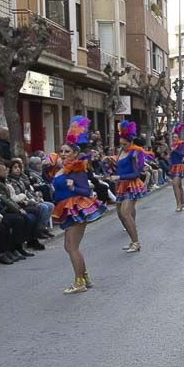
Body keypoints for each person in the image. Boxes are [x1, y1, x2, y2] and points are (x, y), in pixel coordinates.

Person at [53, 116, 105, 294]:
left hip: (76, 208)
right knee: (68, 246)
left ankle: (79, 283)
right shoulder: (62, 168)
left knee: (72, 247)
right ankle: (85, 277)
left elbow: (86, 191)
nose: (63, 154)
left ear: (75, 153)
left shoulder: (78, 168)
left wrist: (74, 186)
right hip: (65, 209)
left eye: (67, 151)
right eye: (62, 151)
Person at [114, 120, 150, 253]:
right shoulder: (120, 152)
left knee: (125, 213)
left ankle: (136, 242)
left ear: (131, 142)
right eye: (121, 144)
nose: (123, 146)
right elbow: (119, 167)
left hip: (132, 185)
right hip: (121, 186)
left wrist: (119, 177)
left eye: (125, 144)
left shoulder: (135, 153)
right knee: (120, 213)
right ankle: (132, 240)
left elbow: (136, 173)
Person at [168, 123, 184, 212]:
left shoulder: (181, 145)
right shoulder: (172, 145)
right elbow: (171, 158)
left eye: (175, 137)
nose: (174, 138)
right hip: (173, 167)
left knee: (175, 185)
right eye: (173, 137)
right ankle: (182, 203)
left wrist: (175, 150)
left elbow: (183, 154)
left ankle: (179, 204)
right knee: (179, 186)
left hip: (179, 167)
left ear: (179, 138)